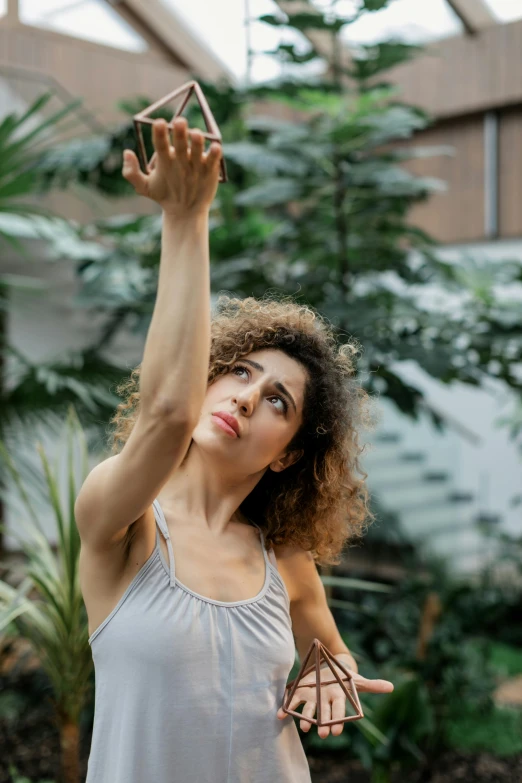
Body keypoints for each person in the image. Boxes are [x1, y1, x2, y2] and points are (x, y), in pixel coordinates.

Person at [75, 116, 394, 783]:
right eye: (239, 372)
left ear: (286, 455)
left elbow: (330, 658)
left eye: (279, 400)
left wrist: (331, 677)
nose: (248, 397)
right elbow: (167, 412)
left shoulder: (283, 559)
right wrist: (185, 218)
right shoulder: (122, 518)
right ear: (208, 373)